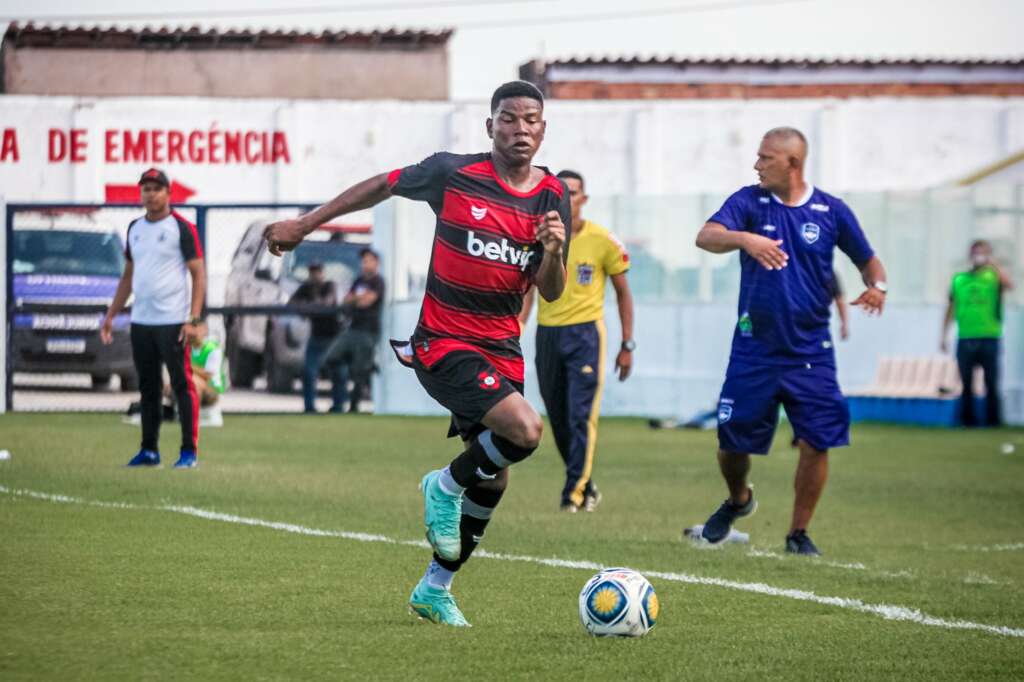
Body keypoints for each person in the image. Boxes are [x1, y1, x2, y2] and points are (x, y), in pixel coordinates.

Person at [263, 80, 569, 626]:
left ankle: (435, 587)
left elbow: (550, 290)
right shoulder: (454, 174)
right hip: (444, 340)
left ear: (543, 129)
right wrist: (306, 225)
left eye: (531, 120)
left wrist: (553, 252)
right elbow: (381, 185)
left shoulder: (551, 197)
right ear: (490, 126)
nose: (520, 129)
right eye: (509, 118)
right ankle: (443, 484)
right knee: (524, 431)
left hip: (502, 346)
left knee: (495, 475)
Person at [693, 127, 888, 556]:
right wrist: (745, 239)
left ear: (792, 164)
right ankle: (739, 499)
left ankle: (798, 534)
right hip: (753, 349)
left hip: (809, 352)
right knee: (731, 443)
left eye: (765, 158)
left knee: (817, 441)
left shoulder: (831, 211)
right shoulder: (748, 200)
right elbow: (705, 236)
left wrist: (878, 286)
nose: (756, 164)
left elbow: (867, 259)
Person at [518, 169, 634, 513]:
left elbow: (623, 294)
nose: (569, 199)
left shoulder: (603, 240)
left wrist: (627, 344)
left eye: (575, 192)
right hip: (547, 333)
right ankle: (585, 481)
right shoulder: (540, 238)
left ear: (584, 199)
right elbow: (529, 287)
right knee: (556, 414)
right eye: (562, 193)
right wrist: (519, 324)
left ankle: (574, 492)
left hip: (585, 334)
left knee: (580, 415)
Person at [101, 167, 206, 469]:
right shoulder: (135, 227)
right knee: (147, 387)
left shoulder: (181, 228)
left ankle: (189, 451)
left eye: (156, 188)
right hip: (142, 320)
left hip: (173, 321)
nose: (150, 193)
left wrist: (194, 318)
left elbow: (198, 274)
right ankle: (149, 450)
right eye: (145, 188)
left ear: (168, 193)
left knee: (182, 385)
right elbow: (128, 276)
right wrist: (111, 314)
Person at [941, 240, 1013, 427]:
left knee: (991, 381)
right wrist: (943, 334)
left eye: (983, 253)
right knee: (966, 383)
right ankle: (967, 421)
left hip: (990, 336)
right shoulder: (960, 279)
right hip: (965, 336)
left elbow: (1009, 285)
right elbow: (950, 306)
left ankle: (993, 421)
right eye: (976, 252)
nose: (979, 256)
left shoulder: (992, 277)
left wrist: (993, 263)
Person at [326, 247, 386, 413]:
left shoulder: (378, 281)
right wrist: (358, 298)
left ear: (376, 262)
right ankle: (339, 398)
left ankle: (353, 406)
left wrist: (356, 299)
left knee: (359, 372)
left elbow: (367, 302)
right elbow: (347, 301)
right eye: (363, 261)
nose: (364, 264)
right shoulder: (359, 280)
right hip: (353, 328)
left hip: (368, 331)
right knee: (332, 358)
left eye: (368, 260)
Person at [290, 260, 346, 414]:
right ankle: (309, 407)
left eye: (317, 272)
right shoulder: (306, 287)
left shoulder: (330, 285)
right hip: (316, 336)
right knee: (308, 371)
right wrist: (311, 306)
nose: (315, 275)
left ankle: (339, 406)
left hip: (334, 336)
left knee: (338, 372)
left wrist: (308, 306)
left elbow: (327, 304)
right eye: (312, 272)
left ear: (323, 273)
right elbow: (292, 303)